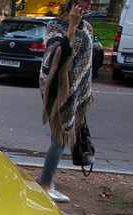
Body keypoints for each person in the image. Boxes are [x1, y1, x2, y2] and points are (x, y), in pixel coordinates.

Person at [38, 0, 94, 202]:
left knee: (61, 137)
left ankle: (47, 180)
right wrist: (71, 26)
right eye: (85, 0)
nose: (90, 4)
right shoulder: (56, 25)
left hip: (76, 91)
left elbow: (86, 62)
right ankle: (45, 184)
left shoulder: (87, 27)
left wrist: (82, 90)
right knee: (60, 138)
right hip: (57, 89)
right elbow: (57, 58)